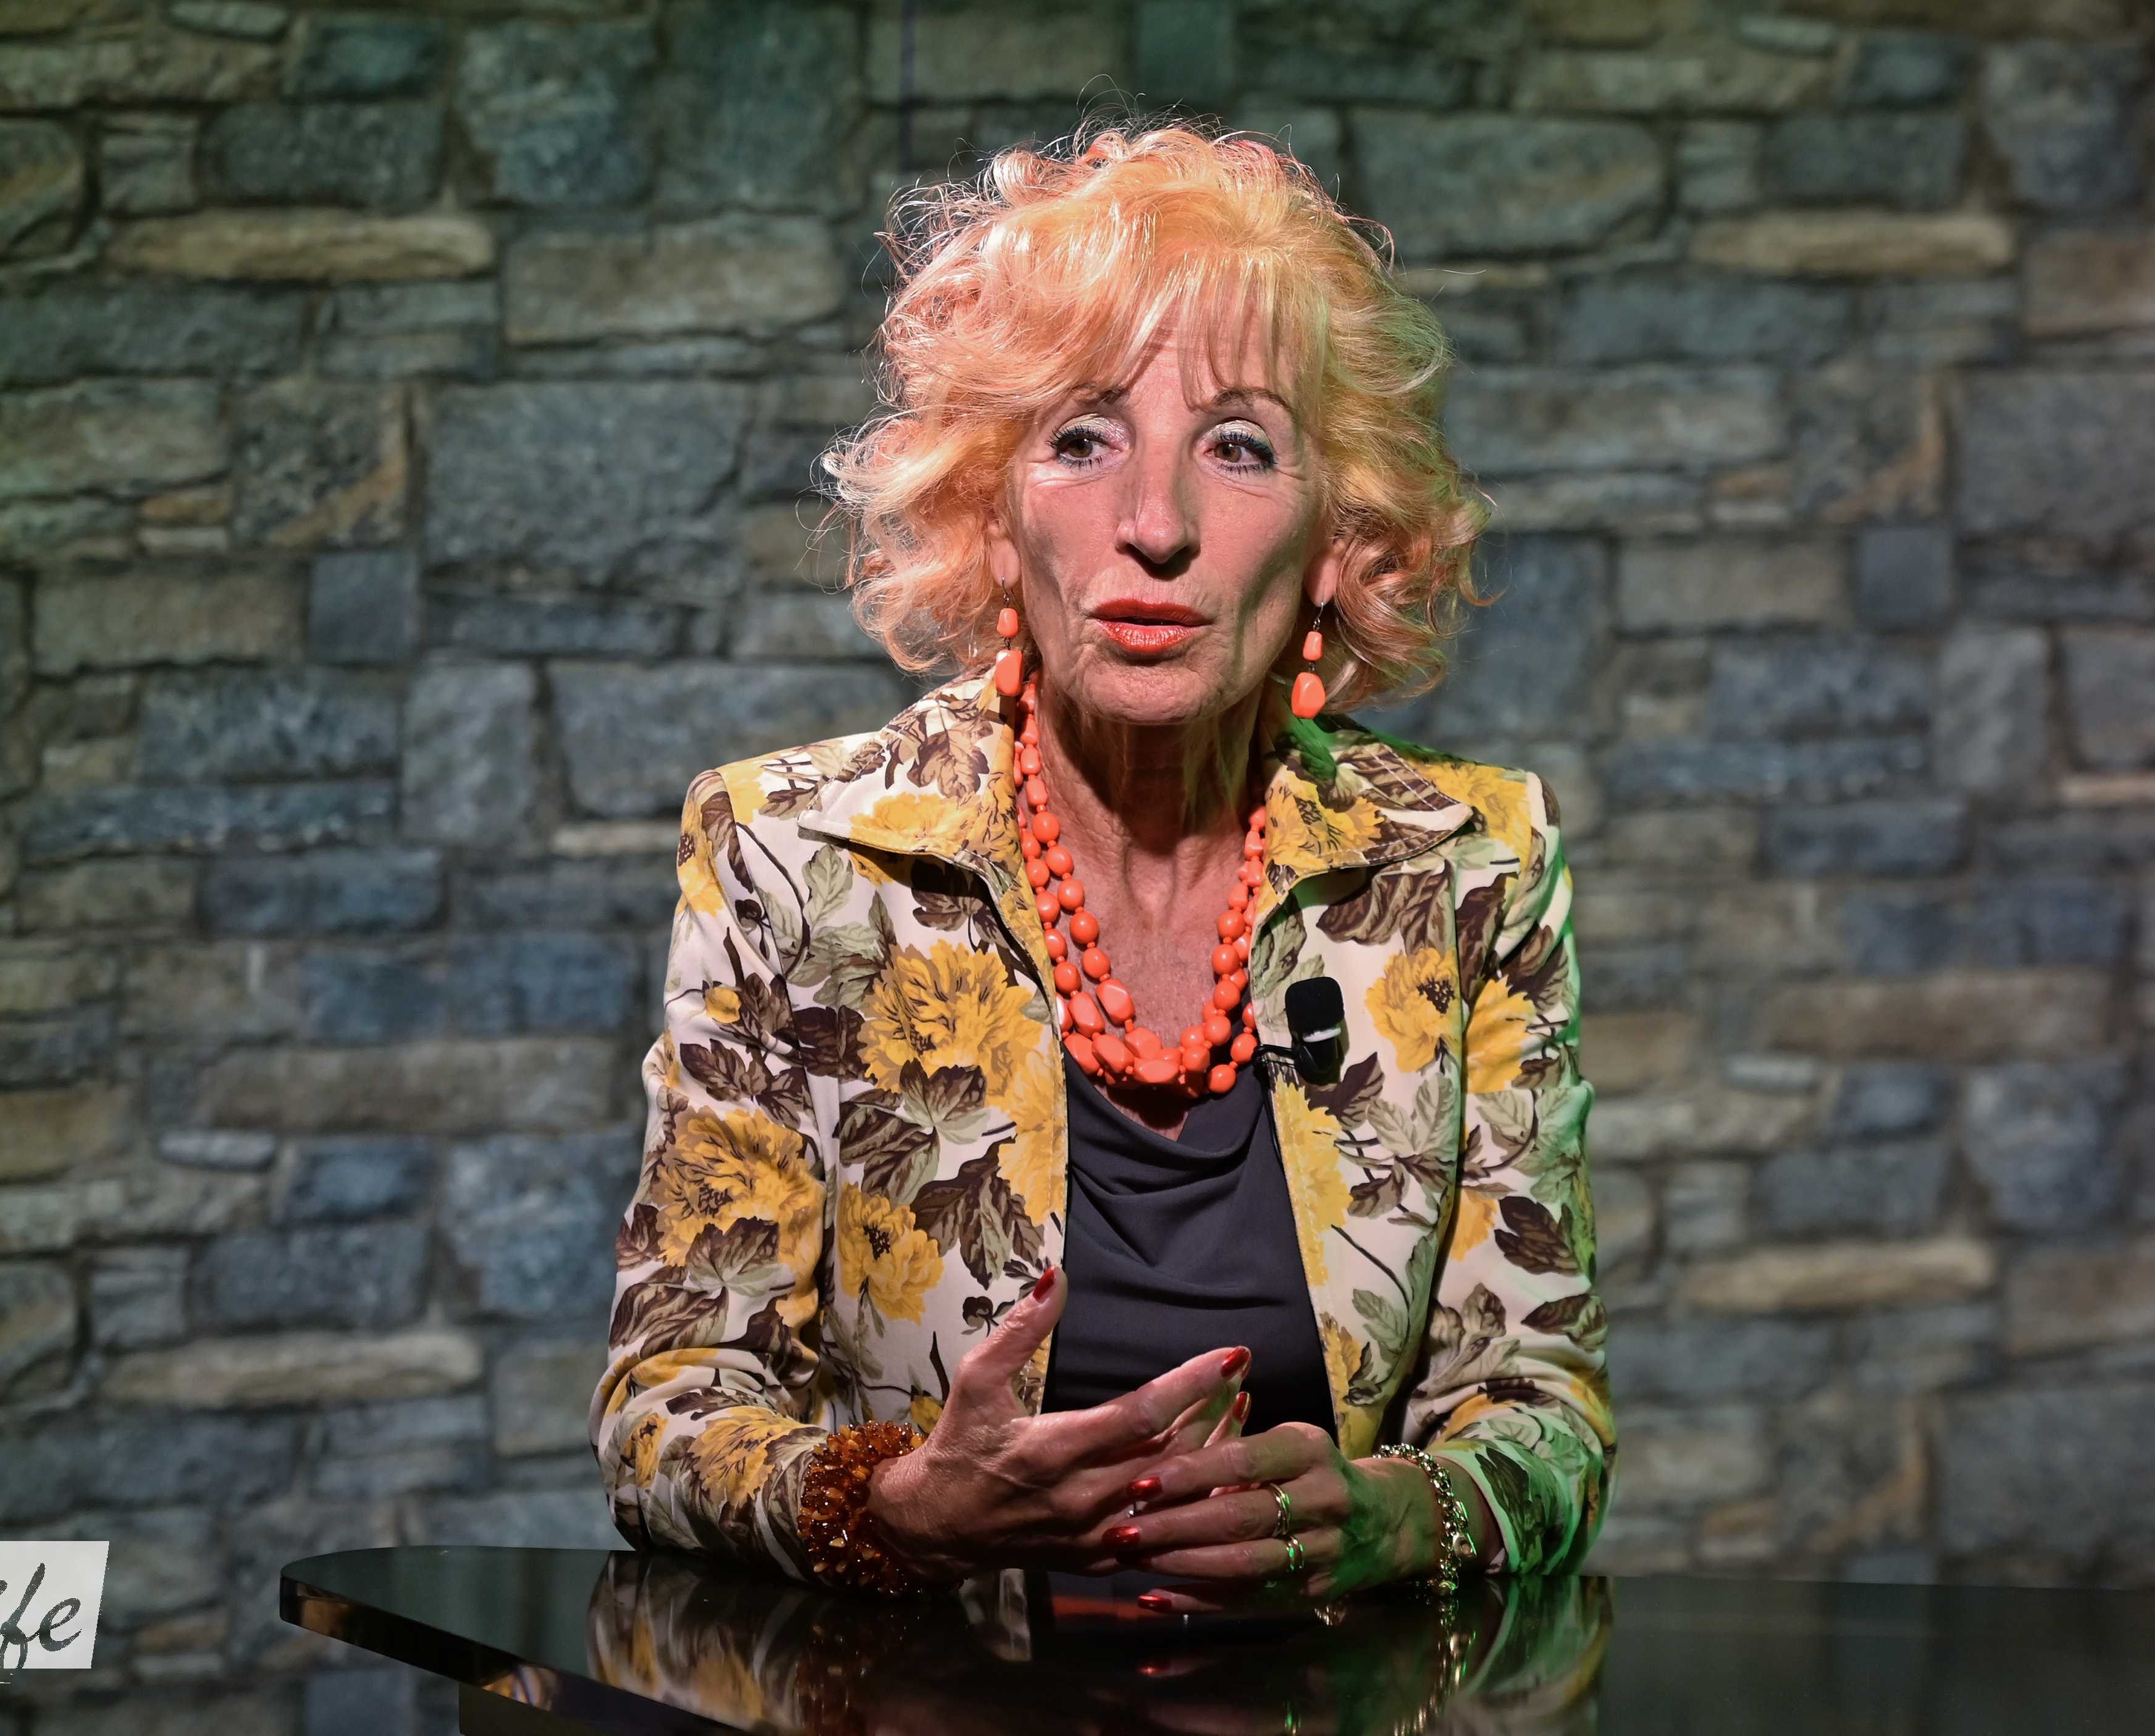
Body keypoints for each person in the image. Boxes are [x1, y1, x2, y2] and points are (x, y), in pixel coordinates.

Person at [587, 121, 1612, 1601]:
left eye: (1239, 448)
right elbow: (667, 1411)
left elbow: (1545, 1407)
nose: (1155, 526)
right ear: (992, 518)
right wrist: (899, 1507)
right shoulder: (799, 857)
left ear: (1337, 542)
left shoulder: (1467, 866)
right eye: (1081, 440)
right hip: (932, 1694)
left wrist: (1398, 1516)